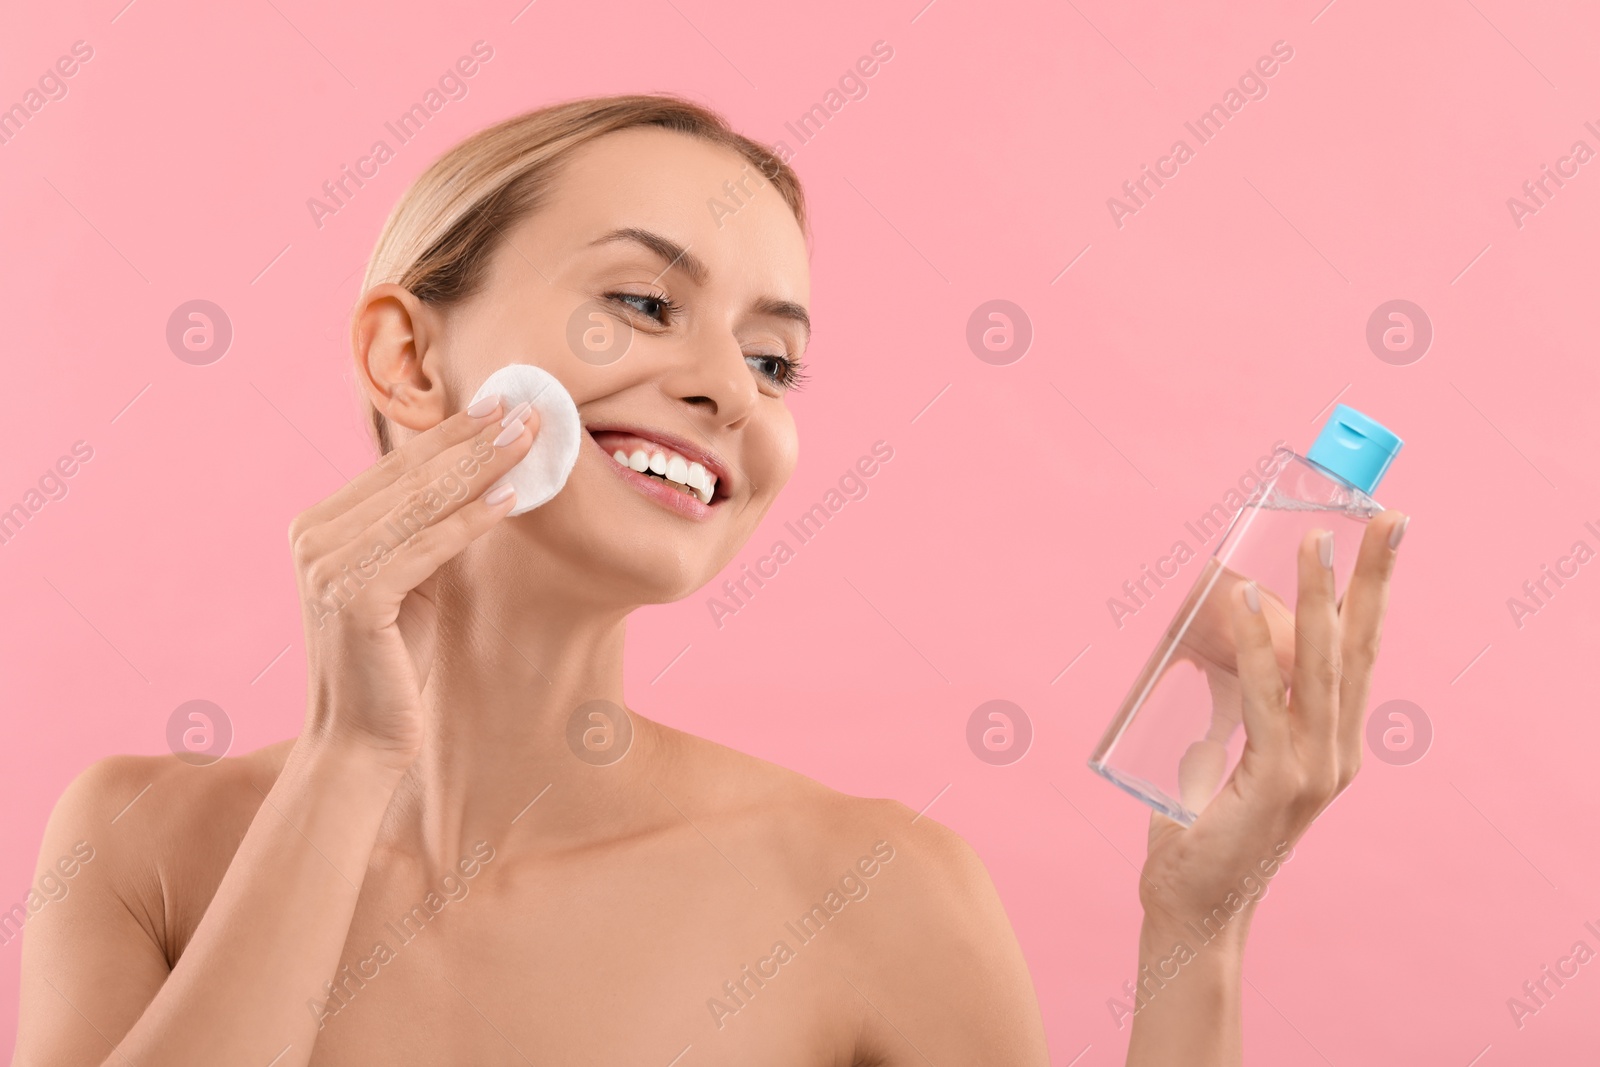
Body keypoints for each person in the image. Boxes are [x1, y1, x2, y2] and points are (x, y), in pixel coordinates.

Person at [13, 94, 1407, 1066]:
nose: (729, 390)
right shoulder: (144, 847)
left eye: (775, 358)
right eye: (642, 302)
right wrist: (350, 757)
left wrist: (1199, 931)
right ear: (407, 358)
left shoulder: (874, 892)